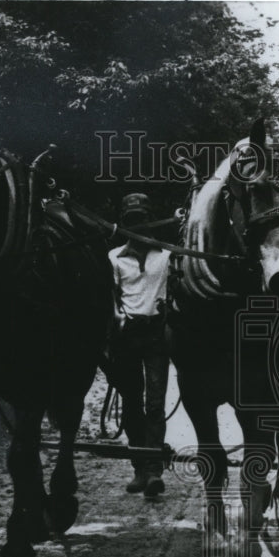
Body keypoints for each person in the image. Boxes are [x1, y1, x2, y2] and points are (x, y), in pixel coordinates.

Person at [108, 193, 171, 498]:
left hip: (157, 335)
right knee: (132, 402)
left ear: (150, 221)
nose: (137, 225)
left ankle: (156, 471)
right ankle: (139, 469)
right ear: (123, 222)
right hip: (126, 337)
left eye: (141, 219)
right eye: (131, 220)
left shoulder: (167, 256)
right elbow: (111, 298)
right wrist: (118, 315)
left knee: (156, 403)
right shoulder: (113, 258)